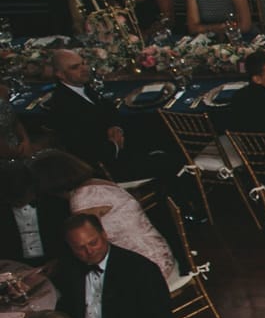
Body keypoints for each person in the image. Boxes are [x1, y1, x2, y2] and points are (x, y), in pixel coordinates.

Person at [51, 214, 175, 318]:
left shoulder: (140, 269)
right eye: (80, 248)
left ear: (104, 234)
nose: (89, 251)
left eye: (93, 242)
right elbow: (66, 307)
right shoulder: (69, 268)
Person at [30, 150, 176, 282]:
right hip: (158, 253)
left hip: (149, 268)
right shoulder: (95, 184)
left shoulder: (82, 200)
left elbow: (88, 251)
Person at [44, 48, 128, 178]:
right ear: (60, 74)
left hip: (114, 147)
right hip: (106, 168)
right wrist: (114, 146)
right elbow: (84, 150)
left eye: (83, 63)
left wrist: (115, 126)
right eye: (75, 67)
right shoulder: (63, 106)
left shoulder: (81, 87)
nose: (84, 69)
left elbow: (109, 109)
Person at [0, 160, 65, 263]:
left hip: (53, 262)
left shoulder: (56, 205)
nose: (19, 201)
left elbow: (65, 242)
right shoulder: (3, 211)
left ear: (32, 187)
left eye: (21, 195)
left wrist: (59, 261)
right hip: (16, 266)